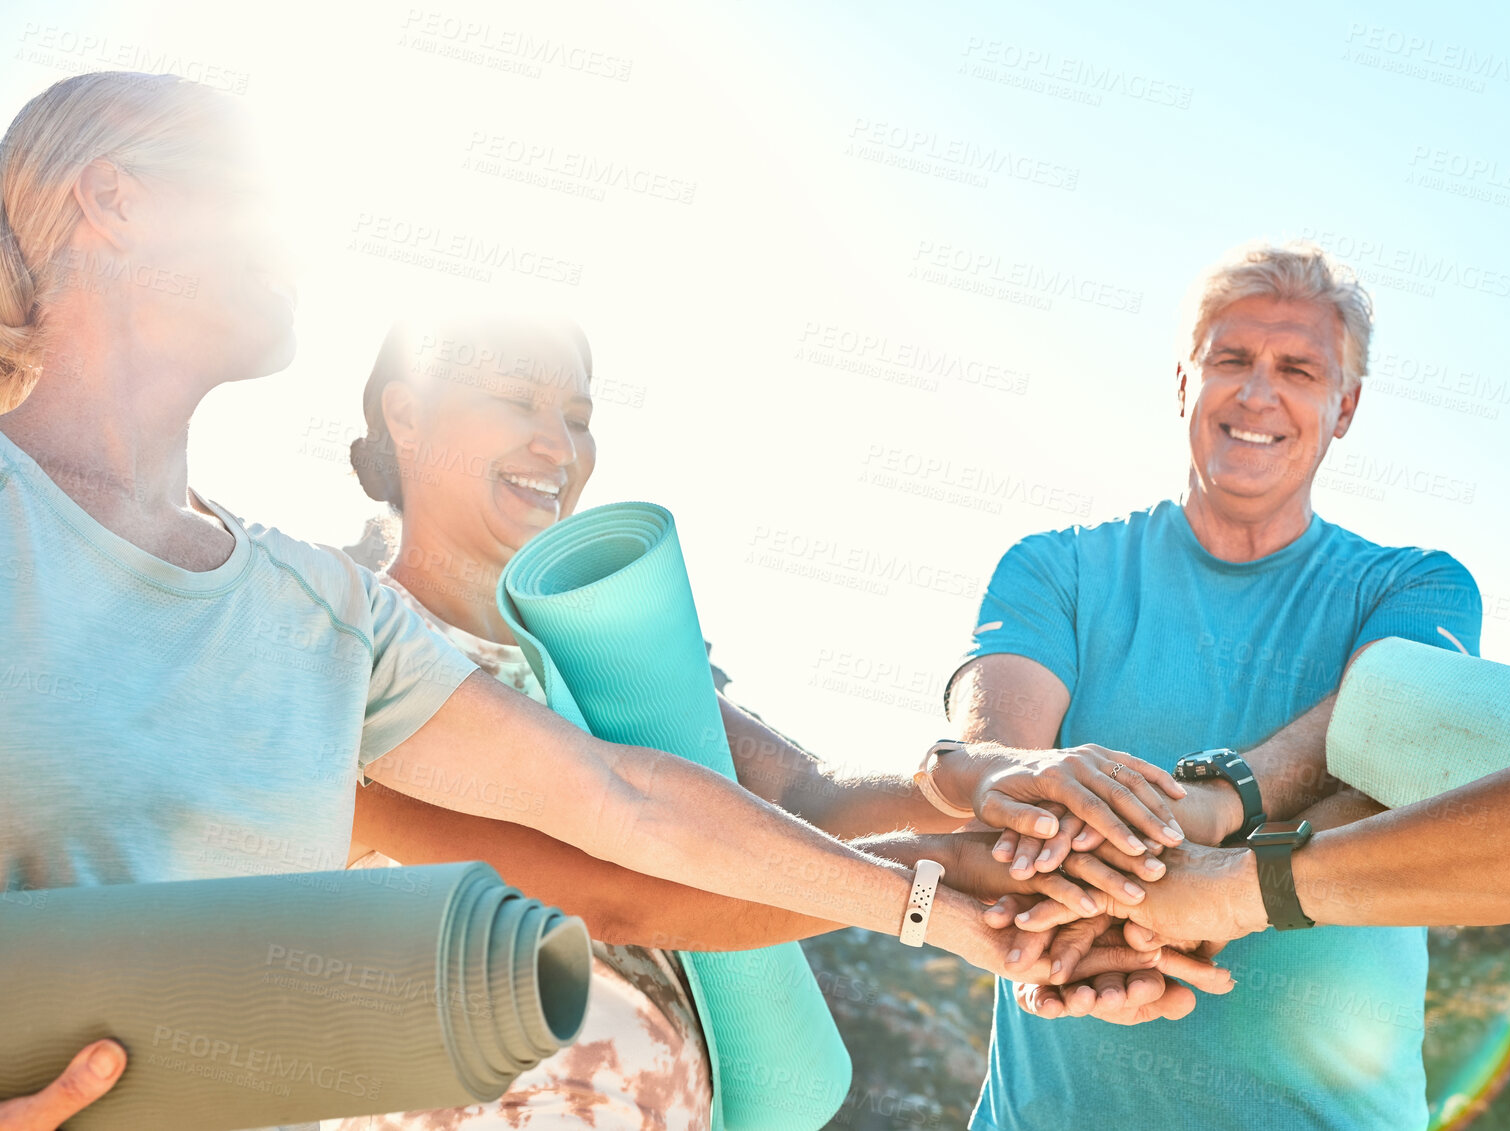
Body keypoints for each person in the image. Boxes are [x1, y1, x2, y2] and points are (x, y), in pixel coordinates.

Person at [0, 71, 1190, 1127]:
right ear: (114, 200)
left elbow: (623, 810)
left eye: (575, 413)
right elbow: (602, 881)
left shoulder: (317, 614)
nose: (293, 238)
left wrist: (960, 909)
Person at [325, 315, 1228, 1129]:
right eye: (515, 400)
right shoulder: (339, 649)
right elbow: (618, 891)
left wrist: (977, 781)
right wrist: (945, 888)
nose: (556, 443)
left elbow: (797, 797)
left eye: (578, 412)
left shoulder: (590, 663)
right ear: (405, 414)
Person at [1020, 219, 1510, 1131]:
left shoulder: (1413, 585)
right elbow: (1454, 768)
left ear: (1346, 406)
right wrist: (1190, 860)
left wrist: (1229, 881)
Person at [943, 241, 1484, 1130]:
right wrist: (1121, 921)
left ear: (1345, 407)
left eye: (1299, 369)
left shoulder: (1416, 588)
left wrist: (1213, 813)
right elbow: (999, 772)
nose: (1258, 392)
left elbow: (1392, 738)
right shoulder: (1056, 570)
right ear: (1183, 379)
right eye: (1231, 359)